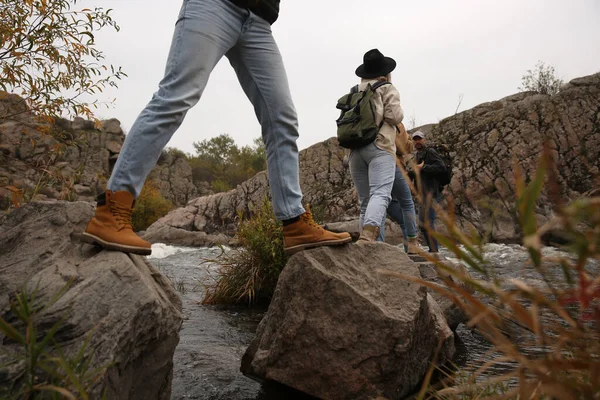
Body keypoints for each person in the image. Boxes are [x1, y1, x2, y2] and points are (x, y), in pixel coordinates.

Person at [81, 0, 351, 256]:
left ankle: (294, 222)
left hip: (259, 21)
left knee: (282, 118)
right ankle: (113, 210)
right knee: (177, 97)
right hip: (213, 7)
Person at [347, 49, 403, 242]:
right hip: (380, 147)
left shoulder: (355, 90)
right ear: (385, 72)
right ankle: (369, 236)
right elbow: (394, 117)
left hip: (354, 149)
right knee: (381, 194)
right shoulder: (387, 87)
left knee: (365, 202)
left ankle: (367, 244)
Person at [377, 122, 419, 253]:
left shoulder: (369, 116)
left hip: (372, 166)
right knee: (407, 203)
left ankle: (378, 246)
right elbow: (403, 148)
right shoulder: (393, 120)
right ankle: (412, 245)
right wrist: (409, 141)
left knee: (379, 203)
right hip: (392, 163)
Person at [409, 130, 446, 253]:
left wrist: (423, 167)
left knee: (428, 225)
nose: (417, 142)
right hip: (422, 195)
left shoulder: (430, 152)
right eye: (415, 139)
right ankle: (433, 250)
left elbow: (441, 167)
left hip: (431, 194)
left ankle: (435, 252)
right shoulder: (418, 155)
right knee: (423, 226)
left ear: (424, 140)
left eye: (419, 139)